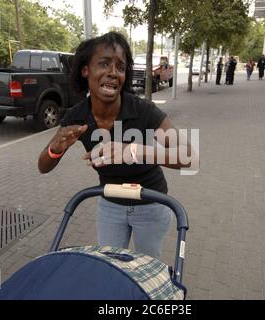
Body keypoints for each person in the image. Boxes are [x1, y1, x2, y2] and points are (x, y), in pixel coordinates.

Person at [38, 32, 197, 259]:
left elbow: (190, 157)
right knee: (110, 266)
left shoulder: (142, 110)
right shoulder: (77, 116)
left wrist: (133, 150)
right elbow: (43, 166)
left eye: (120, 67)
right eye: (104, 64)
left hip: (151, 203)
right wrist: (56, 147)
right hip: (110, 206)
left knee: (145, 270)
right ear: (86, 71)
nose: (113, 73)